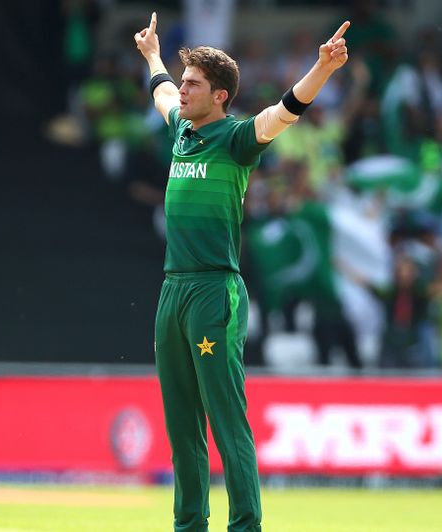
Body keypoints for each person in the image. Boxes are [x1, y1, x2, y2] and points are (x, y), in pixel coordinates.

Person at [133, 13, 350, 532]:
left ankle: (245, 525)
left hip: (214, 290)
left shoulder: (236, 139)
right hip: (173, 288)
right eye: (184, 82)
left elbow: (287, 110)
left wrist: (321, 68)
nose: (182, 91)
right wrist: (151, 56)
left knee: (227, 420)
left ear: (222, 96)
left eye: (194, 85)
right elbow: (161, 92)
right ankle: (189, 525)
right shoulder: (183, 129)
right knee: (182, 425)